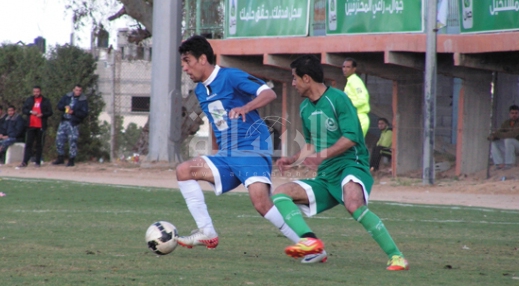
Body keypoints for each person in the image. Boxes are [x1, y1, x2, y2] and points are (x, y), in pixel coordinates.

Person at [175, 35, 326, 263]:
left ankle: (312, 247)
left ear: (203, 58)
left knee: (261, 202)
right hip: (227, 154)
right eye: (183, 63)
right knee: (184, 170)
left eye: (187, 61)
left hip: (250, 148)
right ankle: (207, 231)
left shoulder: (230, 76)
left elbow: (268, 93)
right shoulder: (200, 91)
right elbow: (219, 122)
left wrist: (246, 107)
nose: (184, 67)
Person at [272, 55, 408, 270]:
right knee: (280, 192)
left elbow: (352, 137)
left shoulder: (338, 99)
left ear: (306, 78)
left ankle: (396, 256)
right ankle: (311, 241)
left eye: (295, 78)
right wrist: (293, 159)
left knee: (353, 203)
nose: (293, 83)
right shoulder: (305, 108)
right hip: (326, 176)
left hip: (351, 165)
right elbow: (311, 144)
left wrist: (322, 155)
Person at [51, 84, 89, 167]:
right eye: (76, 90)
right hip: (64, 121)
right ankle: (60, 158)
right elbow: (59, 105)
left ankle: (71, 159)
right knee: (59, 140)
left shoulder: (83, 100)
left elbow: (84, 113)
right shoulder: (67, 97)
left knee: (72, 141)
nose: (77, 92)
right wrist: (65, 107)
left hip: (73, 123)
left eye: (79, 90)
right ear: (73, 90)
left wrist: (74, 112)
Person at [18, 86, 53, 168]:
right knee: (29, 143)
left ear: (40, 92)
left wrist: (43, 114)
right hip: (31, 125)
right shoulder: (29, 100)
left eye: (37, 91)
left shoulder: (45, 101)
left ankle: (38, 161)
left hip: (41, 125)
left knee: (39, 144)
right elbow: (24, 110)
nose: (36, 93)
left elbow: (50, 112)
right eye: (34, 91)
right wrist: (31, 112)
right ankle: (25, 162)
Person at [342, 57, 370, 137]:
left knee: (353, 145)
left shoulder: (355, 81)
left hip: (359, 117)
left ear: (354, 69)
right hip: (354, 118)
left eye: (348, 67)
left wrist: (348, 105)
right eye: (343, 67)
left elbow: (363, 99)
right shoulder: (350, 81)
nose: (345, 69)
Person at [488, 104, 519, 170]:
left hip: (517, 146)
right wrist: (492, 136)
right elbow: (499, 131)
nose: (514, 115)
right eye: (512, 113)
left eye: (516, 113)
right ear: (509, 114)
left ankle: (509, 164)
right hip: (510, 147)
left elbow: (512, 134)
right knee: (494, 143)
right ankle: (499, 164)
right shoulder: (506, 122)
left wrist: (496, 134)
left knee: (508, 140)